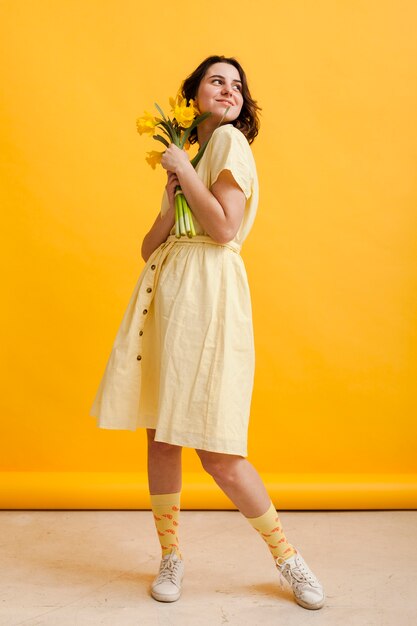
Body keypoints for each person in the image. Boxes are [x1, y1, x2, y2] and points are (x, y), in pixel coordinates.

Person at [89, 55, 325, 610]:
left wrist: (186, 171)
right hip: (169, 291)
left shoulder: (227, 147)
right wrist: (173, 192)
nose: (230, 90)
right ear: (192, 94)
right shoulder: (193, 154)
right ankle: (171, 556)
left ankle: (289, 560)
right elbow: (150, 248)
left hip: (207, 294)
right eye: (217, 81)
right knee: (163, 435)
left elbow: (223, 230)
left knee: (218, 448)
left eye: (237, 85)